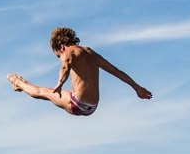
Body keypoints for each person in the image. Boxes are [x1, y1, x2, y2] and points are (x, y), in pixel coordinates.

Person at [8, 26, 151, 117]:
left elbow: (65, 67)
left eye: (58, 55)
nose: (60, 58)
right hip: (92, 107)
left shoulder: (68, 52)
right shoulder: (90, 52)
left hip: (77, 104)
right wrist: (137, 88)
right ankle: (21, 84)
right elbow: (117, 72)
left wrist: (59, 84)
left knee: (43, 92)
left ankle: (18, 82)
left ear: (62, 47)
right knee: (50, 94)